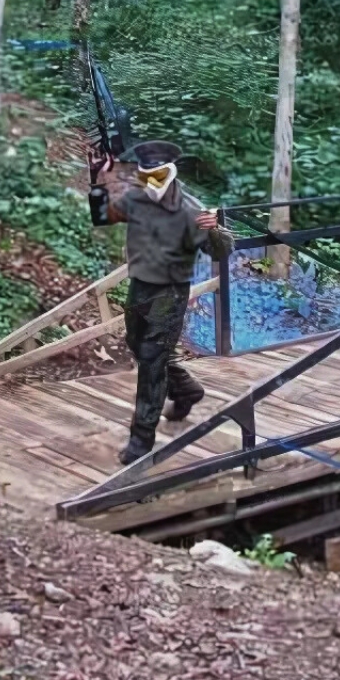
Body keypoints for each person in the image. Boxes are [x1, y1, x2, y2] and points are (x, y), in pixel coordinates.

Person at [90, 140, 232, 464]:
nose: (149, 183)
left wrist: (215, 230)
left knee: (153, 361)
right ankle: (186, 390)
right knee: (138, 345)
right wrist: (97, 178)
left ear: (169, 173)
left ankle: (141, 441)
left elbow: (222, 251)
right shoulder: (137, 200)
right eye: (144, 176)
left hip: (170, 291)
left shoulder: (191, 211)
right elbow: (102, 216)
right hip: (140, 284)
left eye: (155, 176)